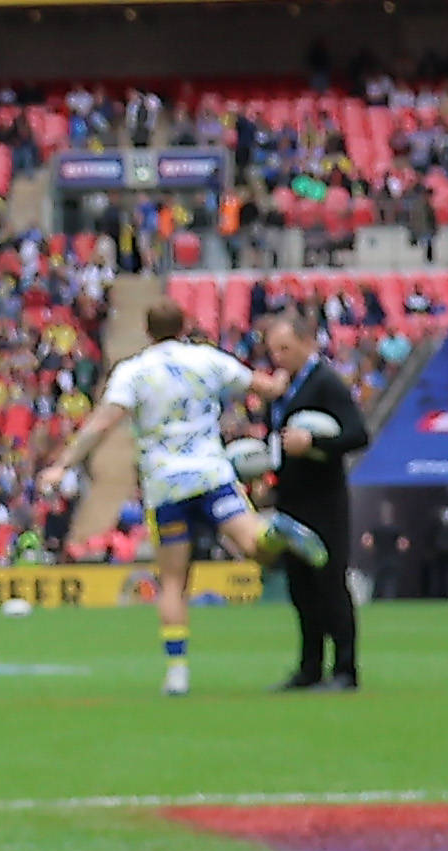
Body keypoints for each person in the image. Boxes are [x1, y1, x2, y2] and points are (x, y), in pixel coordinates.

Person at [44, 298, 287, 697]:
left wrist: (63, 465)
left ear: (147, 330)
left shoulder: (135, 371)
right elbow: (267, 387)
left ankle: (177, 671)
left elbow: (102, 422)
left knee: (174, 582)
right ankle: (274, 530)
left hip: (165, 486)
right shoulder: (208, 359)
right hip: (211, 473)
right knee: (252, 542)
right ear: (184, 325)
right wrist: (284, 367)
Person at [258, 310, 367, 690]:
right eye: (274, 350)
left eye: (285, 348)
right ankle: (309, 667)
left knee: (329, 582)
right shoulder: (281, 388)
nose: (278, 357)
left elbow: (357, 434)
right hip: (292, 499)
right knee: (300, 586)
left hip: (324, 501)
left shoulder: (326, 384)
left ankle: (345, 669)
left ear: (307, 343)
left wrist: (315, 443)